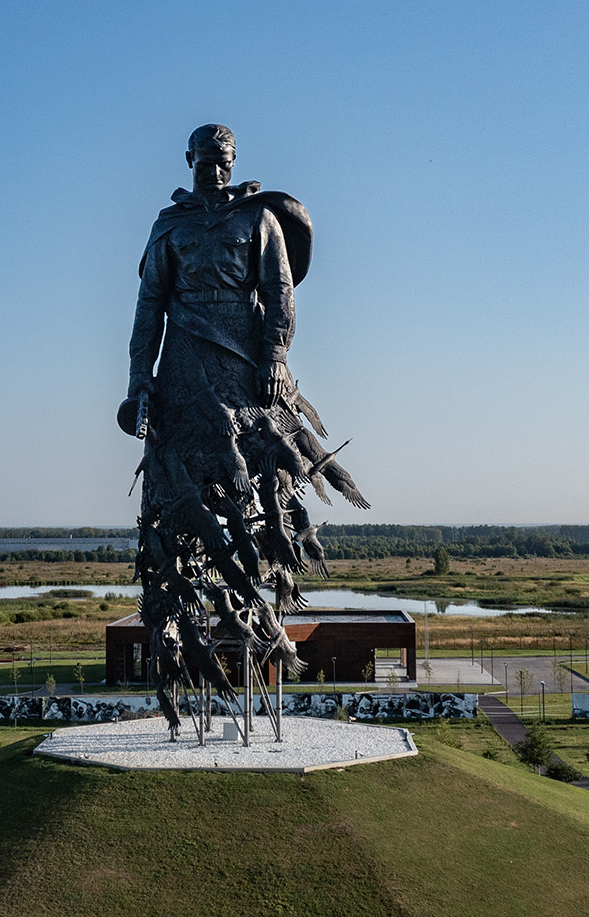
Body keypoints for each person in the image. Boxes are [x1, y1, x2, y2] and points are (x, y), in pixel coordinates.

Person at [123, 124, 367, 738]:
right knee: (179, 507)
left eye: (225, 162)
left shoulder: (257, 220)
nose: (217, 171)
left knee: (264, 492)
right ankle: (183, 655)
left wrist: (275, 358)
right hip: (183, 367)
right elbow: (149, 305)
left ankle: (269, 614)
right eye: (207, 162)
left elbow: (279, 291)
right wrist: (138, 383)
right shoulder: (168, 228)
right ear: (189, 160)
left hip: (245, 368)